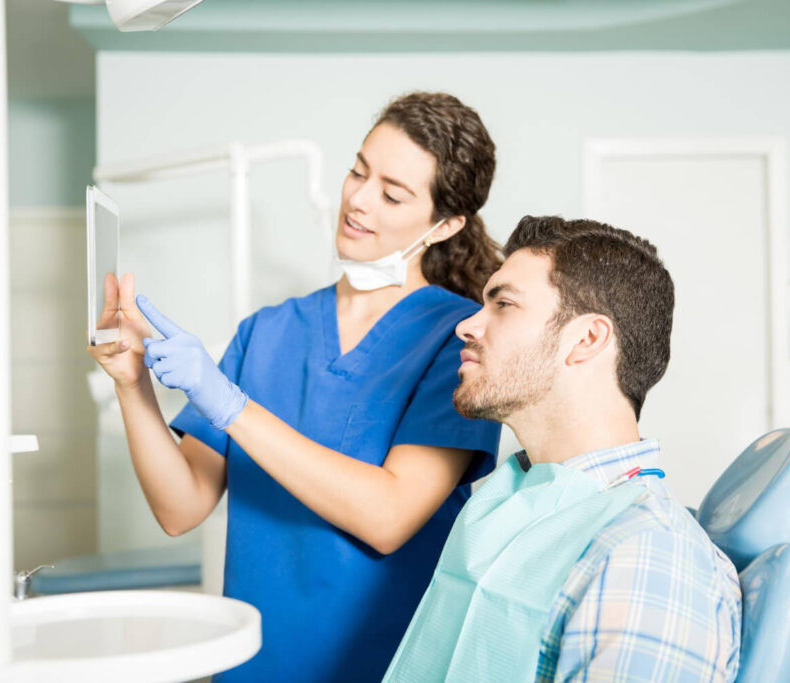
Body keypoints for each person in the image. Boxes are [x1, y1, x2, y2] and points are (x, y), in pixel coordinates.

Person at [87, 92, 503, 682]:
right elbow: (181, 508)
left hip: (381, 668)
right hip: (255, 665)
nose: (357, 199)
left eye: (391, 192)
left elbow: (389, 517)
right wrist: (133, 385)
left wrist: (232, 406)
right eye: (358, 170)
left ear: (446, 224)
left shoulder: (459, 342)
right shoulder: (268, 331)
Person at [384, 216, 742, 682]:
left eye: (503, 304)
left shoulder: (645, 556)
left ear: (586, 340)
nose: (466, 326)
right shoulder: (516, 508)